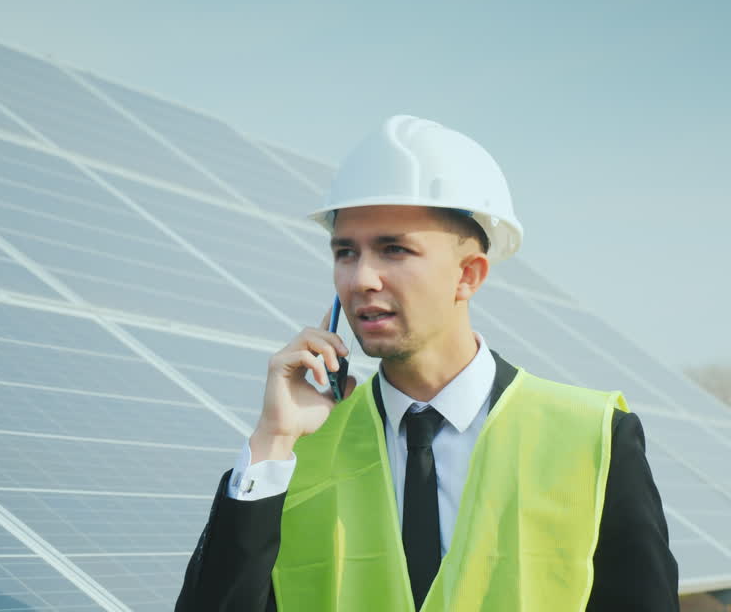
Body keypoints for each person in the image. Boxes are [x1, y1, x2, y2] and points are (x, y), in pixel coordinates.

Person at [174, 116, 678, 611]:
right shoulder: (298, 451)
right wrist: (270, 443)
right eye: (345, 252)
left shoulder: (592, 438)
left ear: (469, 276)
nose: (361, 279)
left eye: (394, 249)